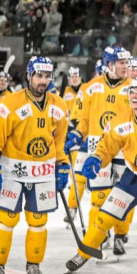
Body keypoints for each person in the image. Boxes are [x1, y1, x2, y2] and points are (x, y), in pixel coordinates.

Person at [65, 77, 137, 272]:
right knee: (104, 218)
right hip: (133, 178)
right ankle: (84, 252)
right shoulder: (119, 121)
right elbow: (106, 147)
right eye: (132, 91)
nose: (134, 96)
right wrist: (97, 158)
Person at [0, 56, 68, 274]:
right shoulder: (11, 102)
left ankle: (34, 266)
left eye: (47, 76)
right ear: (29, 76)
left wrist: (62, 164)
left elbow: (60, 140)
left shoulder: (59, 105)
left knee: (38, 221)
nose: (43, 81)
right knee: (7, 219)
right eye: (39, 75)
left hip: (42, 172)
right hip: (12, 171)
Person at [66, 46, 134, 257]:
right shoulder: (90, 87)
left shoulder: (134, 87)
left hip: (125, 146)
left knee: (124, 195)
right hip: (98, 147)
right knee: (99, 197)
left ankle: (120, 236)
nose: (125, 66)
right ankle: (98, 235)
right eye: (121, 63)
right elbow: (83, 118)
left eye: (126, 62)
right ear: (110, 65)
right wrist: (77, 133)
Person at [60, 67, 87, 225]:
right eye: (72, 76)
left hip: (88, 135)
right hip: (72, 134)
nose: (74, 78)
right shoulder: (65, 92)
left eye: (76, 75)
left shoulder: (87, 90)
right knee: (77, 175)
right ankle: (72, 207)